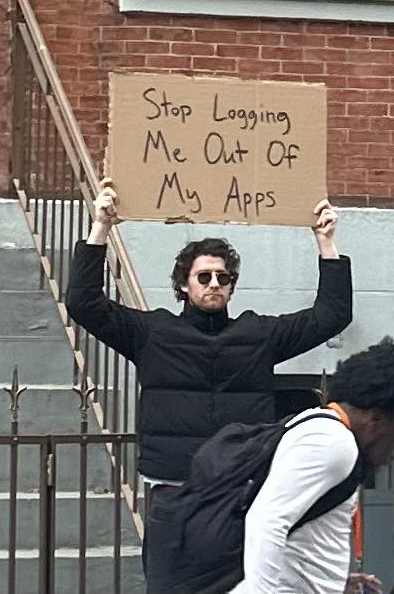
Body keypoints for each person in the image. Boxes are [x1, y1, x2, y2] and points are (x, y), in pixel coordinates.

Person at [65, 177, 353, 575]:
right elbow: (84, 303)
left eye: (223, 277)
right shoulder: (153, 333)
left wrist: (326, 242)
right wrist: (101, 227)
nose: (214, 283)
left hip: (241, 493)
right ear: (184, 285)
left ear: (232, 287)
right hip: (173, 488)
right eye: (204, 277)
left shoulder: (259, 335)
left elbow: (331, 315)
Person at [229, 338, 394, 594]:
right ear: (375, 419)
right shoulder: (333, 443)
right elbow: (267, 521)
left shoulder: (319, 427)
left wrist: (332, 579)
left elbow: (306, 531)